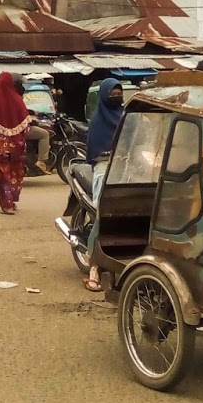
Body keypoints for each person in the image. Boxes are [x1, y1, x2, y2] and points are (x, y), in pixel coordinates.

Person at [82, 78, 125, 290]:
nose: (116, 96)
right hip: (104, 168)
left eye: (119, 92)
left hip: (127, 167)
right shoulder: (97, 121)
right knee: (104, 215)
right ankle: (94, 268)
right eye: (113, 93)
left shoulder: (128, 117)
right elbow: (93, 152)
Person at [0, 71, 30, 216]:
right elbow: (26, 127)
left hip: (0, 147)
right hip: (18, 146)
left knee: (4, 176)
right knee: (16, 172)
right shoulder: (18, 100)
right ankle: (12, 201)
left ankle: (6, 205)